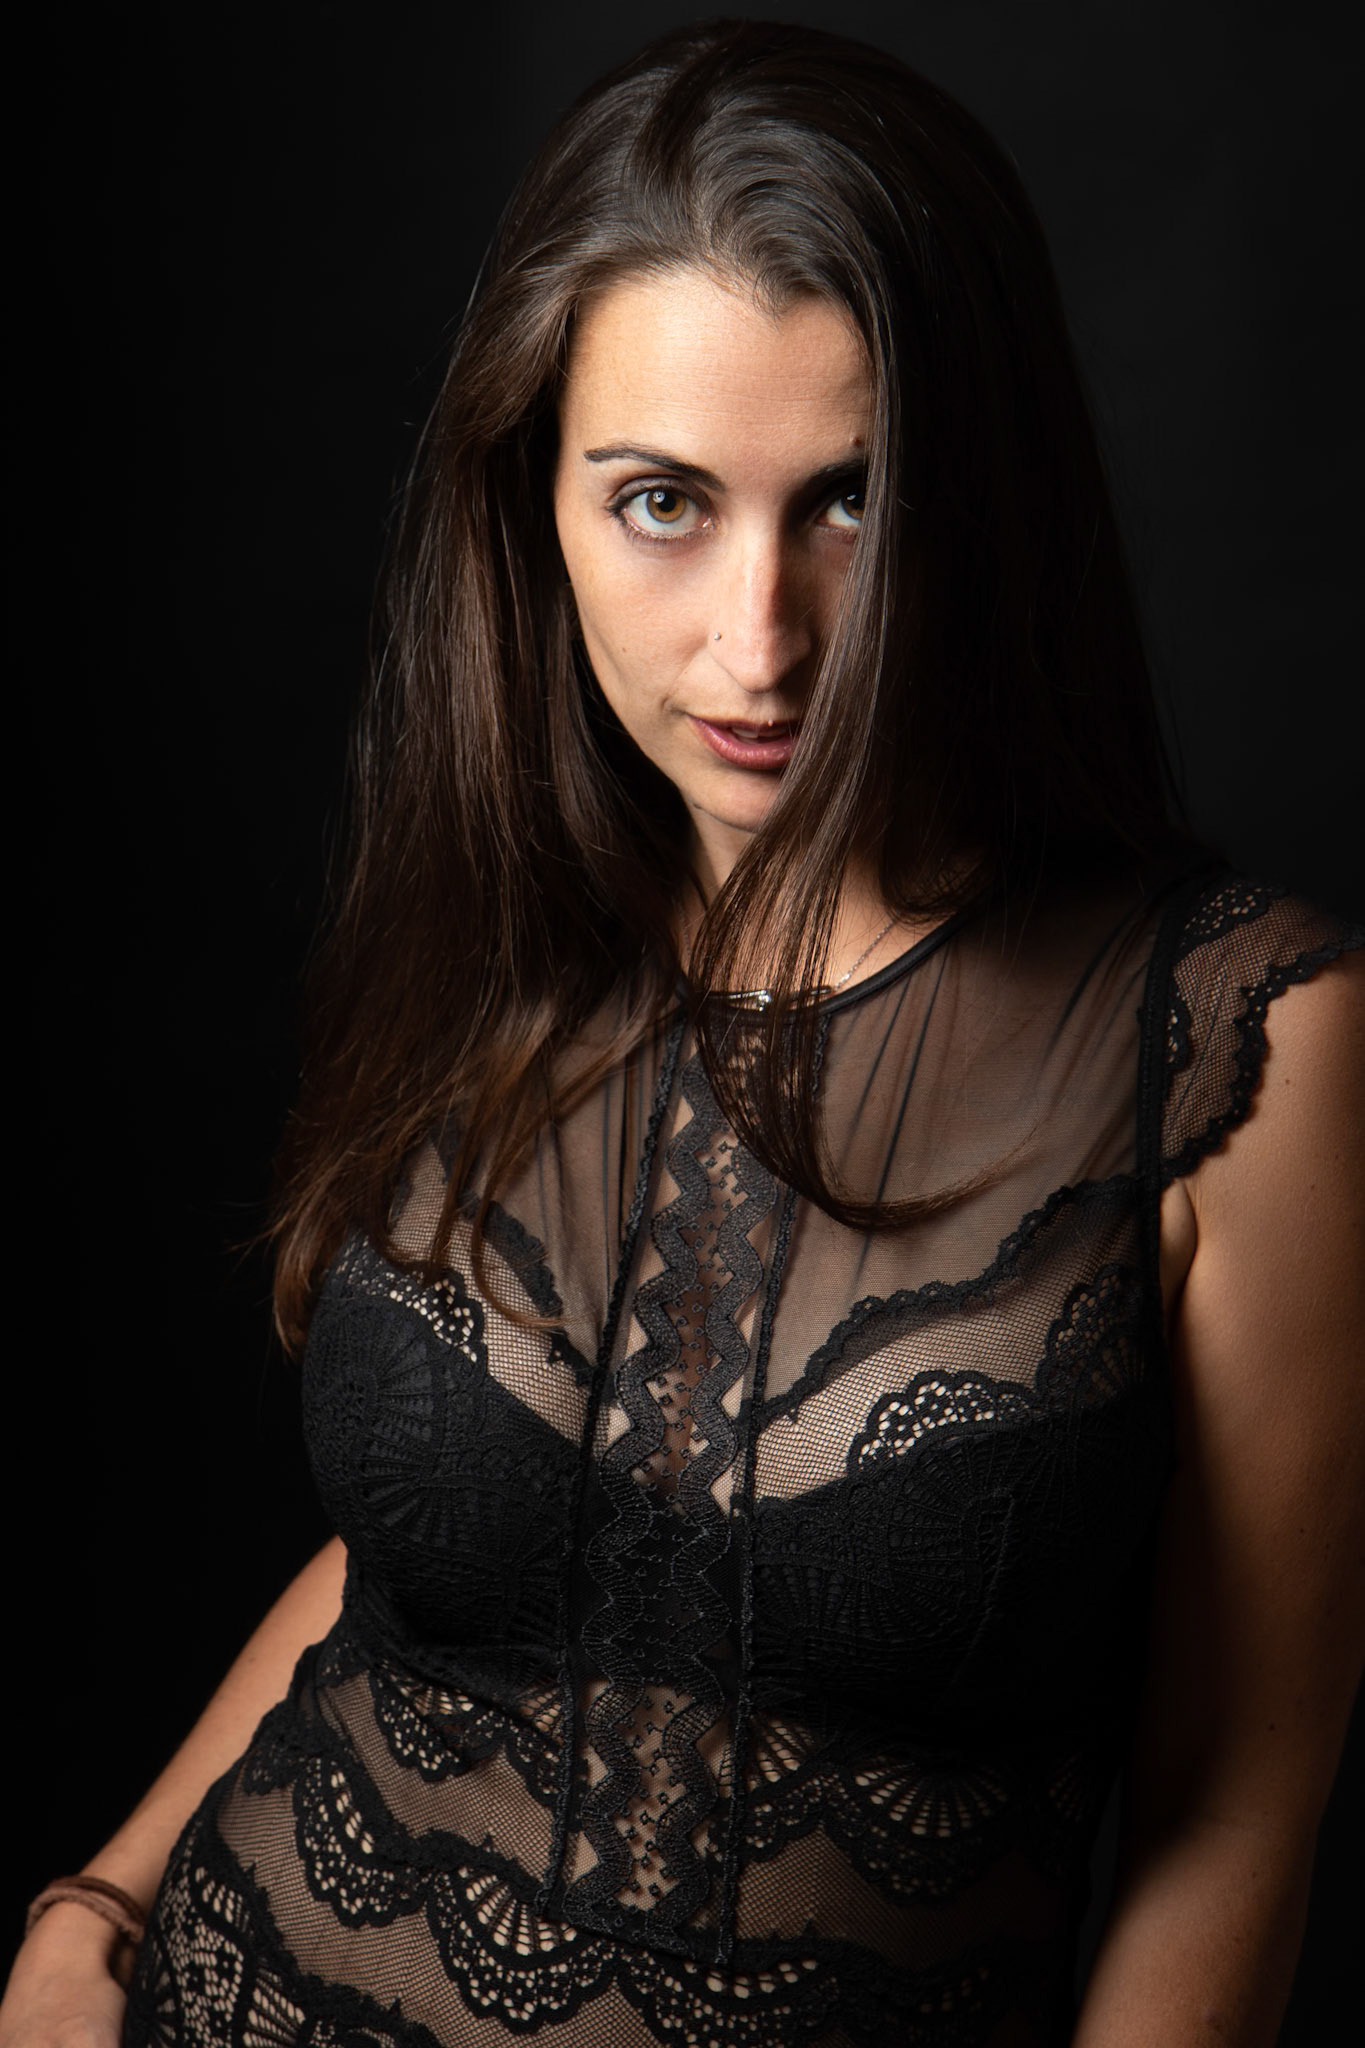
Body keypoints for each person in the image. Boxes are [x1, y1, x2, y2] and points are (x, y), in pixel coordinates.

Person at [6, 19, 1362, 2047]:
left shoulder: (1232, 1044)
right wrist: (95, 1904)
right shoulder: (516, 927)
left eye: (851, 503)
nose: (759, 642)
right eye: (660, 502)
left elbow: (1227, 1805)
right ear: (534, 498)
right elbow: (431, 1561)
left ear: (990, 503)